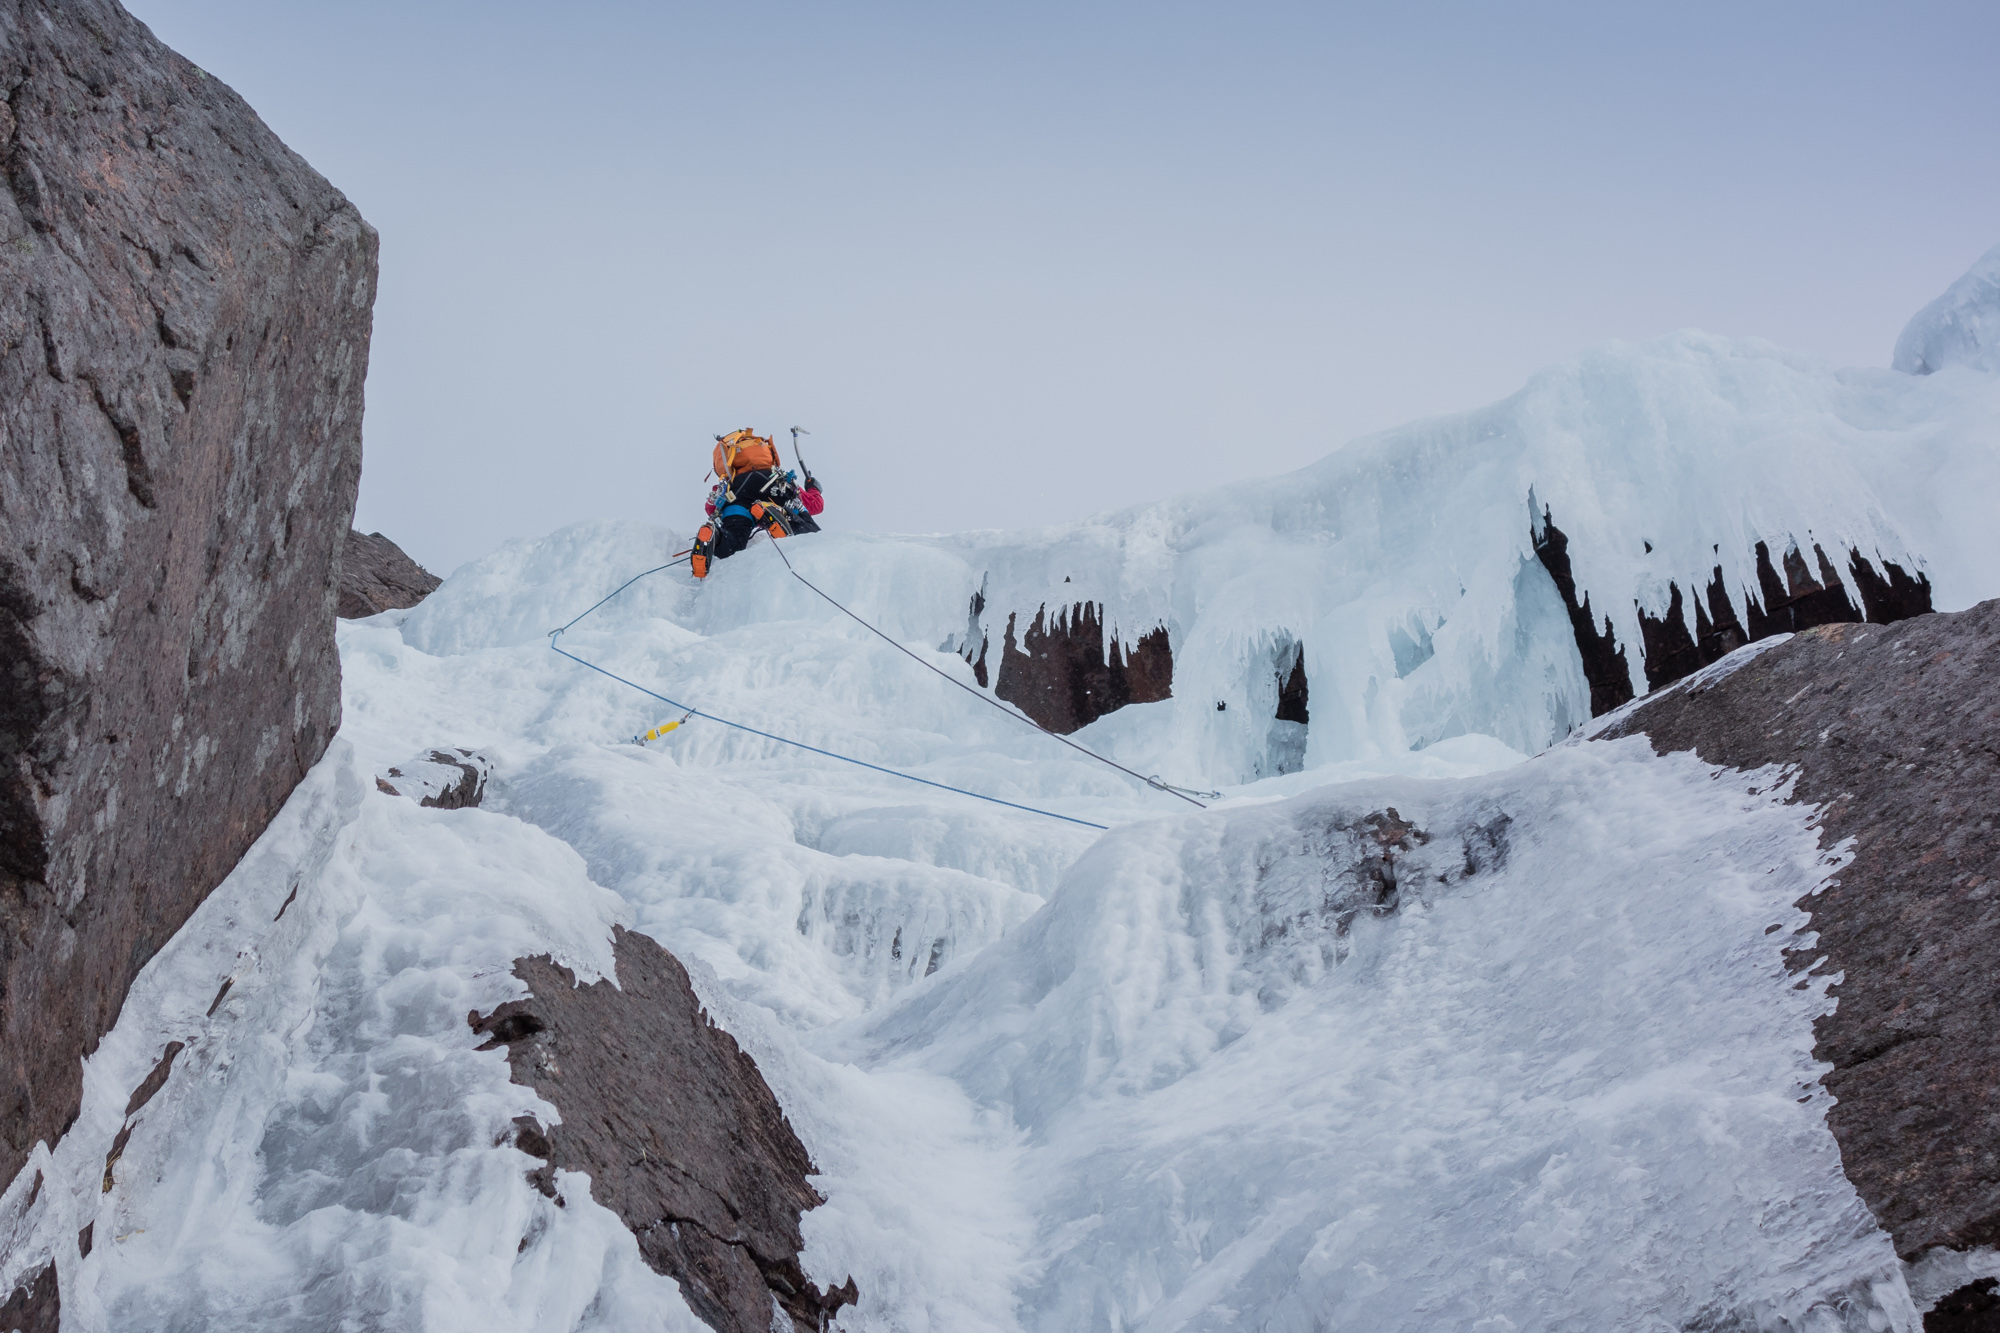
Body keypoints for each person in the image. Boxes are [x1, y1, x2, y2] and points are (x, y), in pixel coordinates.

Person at [690, 428, 825, 579]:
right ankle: (771, 511)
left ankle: (715, 536)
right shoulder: (776, 475)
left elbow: (711, 508)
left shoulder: (729, 483)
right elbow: (815, 505)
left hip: (737, 494)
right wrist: (814, 488)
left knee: (734, 544)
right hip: (773, 485)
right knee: (809, 533)